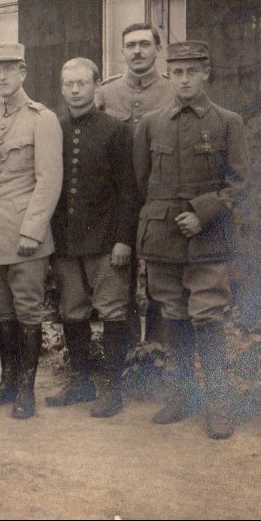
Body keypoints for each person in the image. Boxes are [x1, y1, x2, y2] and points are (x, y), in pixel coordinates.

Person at [134, 40, 250, 440]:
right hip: (164, 237)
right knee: (172, 313)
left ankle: (218, 403)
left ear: (206, 73)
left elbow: (239, 183)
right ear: (170, 75)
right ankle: (181, 394)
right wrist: (166, 217)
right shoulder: (150, 123)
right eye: (177, 72)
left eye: (191, 72)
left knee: (208, 314)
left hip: (207, 239)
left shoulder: (227, 122)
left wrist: (203, 214)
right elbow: (142, 181)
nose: (184, 80)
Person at [46, 58, 139, 418]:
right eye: (68, 83)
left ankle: (113, 391)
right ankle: (81, 382)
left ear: (97, 86)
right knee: (72, 311)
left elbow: (129, 190)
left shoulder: (116, 131)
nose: (74, 90)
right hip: (67, 242)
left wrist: (123, 240)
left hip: (105, 241)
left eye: (82, 83)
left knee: (113, 311)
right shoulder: (54, 128)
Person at [0, 42, 62, 419]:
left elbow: (48, 179)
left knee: (27, 311)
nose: (1, 77)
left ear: (23, 72)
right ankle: (8, 381)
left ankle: (26, 390)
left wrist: (33, 230)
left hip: (26, 236)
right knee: (2, 311)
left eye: (8, 69)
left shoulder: (42, 118)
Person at [97, 23, 177, 348]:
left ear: (158, 49)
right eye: (130, 45)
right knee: (119, 276)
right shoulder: (105, 92)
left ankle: (156, 351)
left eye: (145, 44)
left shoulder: (173, 92)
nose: (138, 51)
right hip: (117, 202)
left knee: (161, 277)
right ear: (121, 52)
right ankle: (128, 352)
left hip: (159, 196)